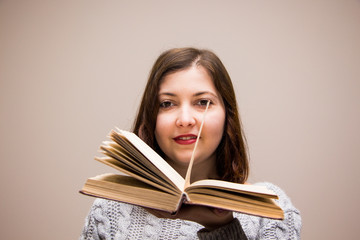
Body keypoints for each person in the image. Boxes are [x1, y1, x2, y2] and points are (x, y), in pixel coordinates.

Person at [79, 47, 301, 239]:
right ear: (151, 118)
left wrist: (222, 227)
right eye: (167, 104)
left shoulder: (270, 208)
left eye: (203, 102)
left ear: (227, 115)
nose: (184, 120)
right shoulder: (109, 209)